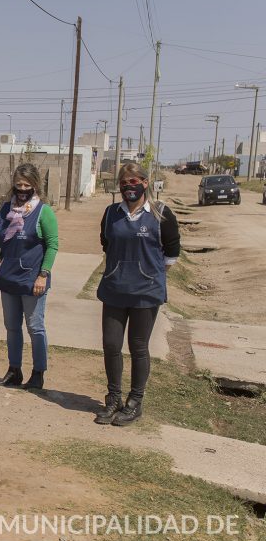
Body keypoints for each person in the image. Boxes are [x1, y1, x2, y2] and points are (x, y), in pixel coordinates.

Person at [94, 162, 180, 426]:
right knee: (111, 344)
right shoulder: (111, 213)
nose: (129, 186)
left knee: (138, 346)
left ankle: (134, 403)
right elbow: (107, 243)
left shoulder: (161, 214)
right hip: (115, 288)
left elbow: (171, 253)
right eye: (124, 182)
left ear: (145, 182)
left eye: (134, 181)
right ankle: (114, 399)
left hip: (146, 292)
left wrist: (146, 272)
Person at [0, 163, 59, 391]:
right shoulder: (5, 210)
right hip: (8, 277)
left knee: (34, 326)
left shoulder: (43, 211)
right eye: (18, 184)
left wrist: (43, 275)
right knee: (11, 326)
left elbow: (52, 245)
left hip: (32, 279)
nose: (22, 189)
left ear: (35, 185)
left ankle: (38, 372)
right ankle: (14, 369)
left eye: (27, 185)